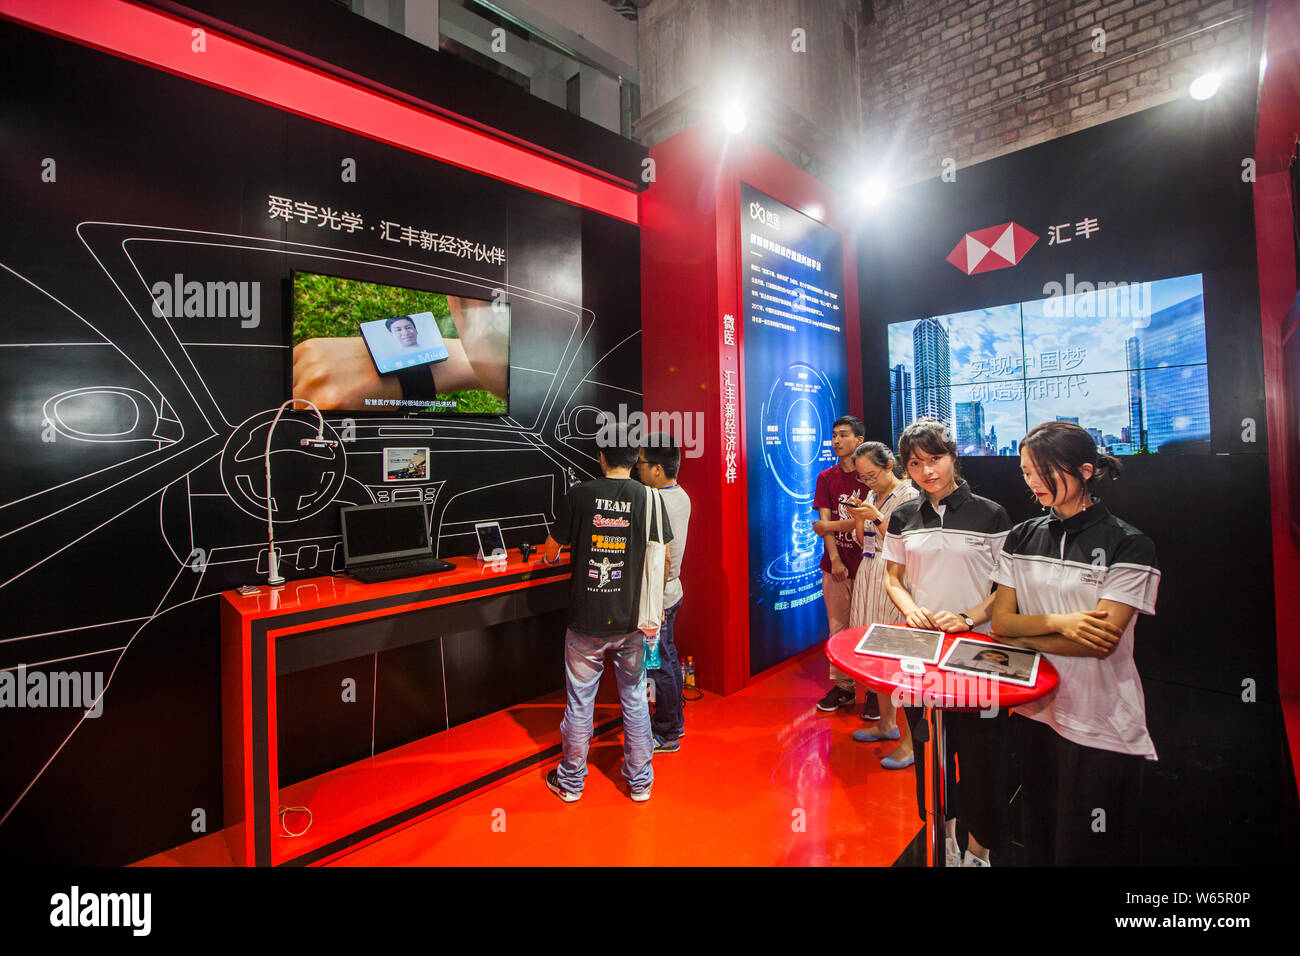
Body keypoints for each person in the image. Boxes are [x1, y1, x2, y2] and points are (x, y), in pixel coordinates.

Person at [990, 421, 1160, 866]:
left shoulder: (1128, 543)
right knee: (1040, 837)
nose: (1033, 483)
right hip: (1035, 707)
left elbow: (1100, 643)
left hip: (1099, 718)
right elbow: (1002, 623)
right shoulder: (1023, 535)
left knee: (1090, 848)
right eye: (1026, 472)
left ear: (1085, 470)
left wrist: (1032, 631)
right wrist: (1063, 623)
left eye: (1044, 472)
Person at [881, 418, 1012, 867]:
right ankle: (945, 837)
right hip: (921, 650)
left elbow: (1005, 592)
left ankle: (980, 850)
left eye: (934, 458)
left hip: (977, 649)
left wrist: (967, 617)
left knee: (982, 755)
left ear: (953, 456)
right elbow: (892, 578)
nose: (926, 470)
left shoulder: (991, 514)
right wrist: (908, 608)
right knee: (929, 750)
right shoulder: (902, 516)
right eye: (915, 463)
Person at [541, 425, 672, 803]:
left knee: (581, 701)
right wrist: (655, 601)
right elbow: (663, 557)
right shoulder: (649, 498)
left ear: (602, 457)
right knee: (633, 697)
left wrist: (550, 555)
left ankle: (570, 783)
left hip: (586, 619)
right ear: (635, 460)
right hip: (633, 620)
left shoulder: (580, 494)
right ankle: (640, 783)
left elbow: (553, 549)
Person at [842, 441, 919, 767]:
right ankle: (887, 724)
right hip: (870, 573)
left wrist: (876, 517)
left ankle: (910, 741)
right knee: (877, 657)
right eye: (863, 477)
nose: (868, 482)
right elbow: (865, 540)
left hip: (896, 580)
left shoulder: (911, 497)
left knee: (902, 660)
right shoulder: (873, 495)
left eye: (872, 475)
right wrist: (861, 518)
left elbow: (909, 546)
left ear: (890, 465)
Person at [813, 415, 879, 720]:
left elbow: (867, 520)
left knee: (868, 628)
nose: (837, 440)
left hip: (869, 564)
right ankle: (843, 687)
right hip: (835, 564)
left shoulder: (871, 478)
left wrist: (832, 524)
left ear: (859, 440)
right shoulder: (826, 477)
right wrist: (836, 559)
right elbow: (823, 525)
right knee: (838, 628)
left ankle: (875, 692)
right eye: (834, 435)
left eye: (844, 435)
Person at [637, 435, 691, 754]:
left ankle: (667, 731)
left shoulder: (655, 502)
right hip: (670, 594)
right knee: (666, 658)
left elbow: (662, 556)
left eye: (642, 463)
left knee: (658, 663)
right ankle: (672, 724)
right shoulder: (679, 495)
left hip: (657, 601)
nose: (637, 469)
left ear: (658, 469)